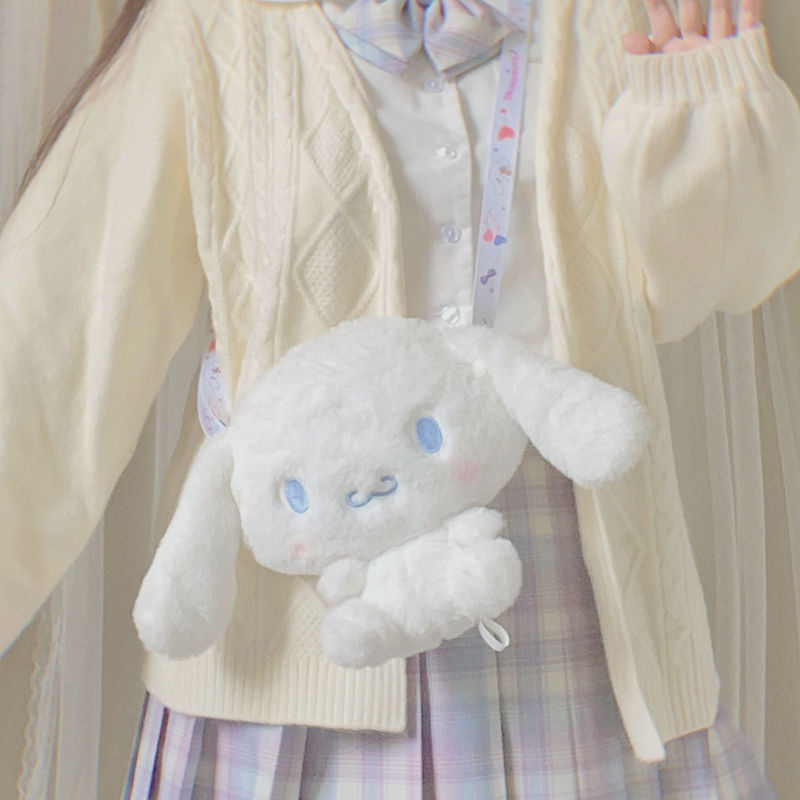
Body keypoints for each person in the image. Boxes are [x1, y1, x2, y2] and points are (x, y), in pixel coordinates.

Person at [0, 0, 797, 795]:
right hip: (292, 640)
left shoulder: (605, 17)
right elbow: (48, 355)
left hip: (568, 600)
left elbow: (722, 283)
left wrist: (710, 112)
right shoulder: (211, 33)